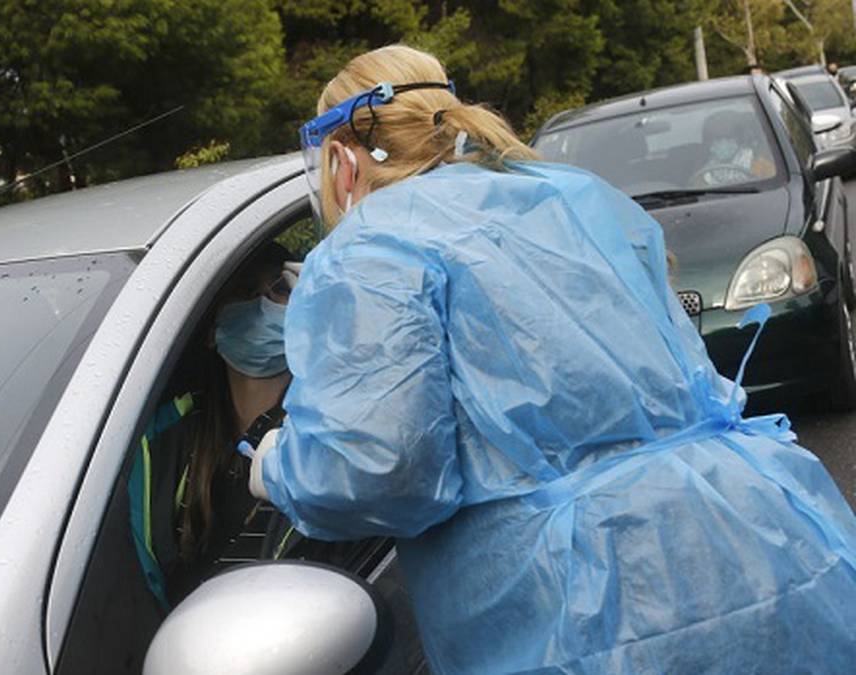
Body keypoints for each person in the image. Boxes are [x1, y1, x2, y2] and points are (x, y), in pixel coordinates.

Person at [247, 44, 856, 673]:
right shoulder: (563, 196)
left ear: (341, 158)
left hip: (586, 608)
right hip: (757, 541)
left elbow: (381, 469)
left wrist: (281, 470)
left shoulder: (369, 252)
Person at [127, 242, 298, 609]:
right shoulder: (158, 441)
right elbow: (144, 590)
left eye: (280, 290)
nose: (263, 304)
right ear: (210, 327)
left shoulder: (329, 425)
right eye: (245, 294)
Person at [695, 109, 776, 186]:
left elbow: (773, 188)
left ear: (737, 139)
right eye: (714, 140)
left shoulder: (760, 164)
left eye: (726, 138)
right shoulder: (704, 175)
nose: (719, 144)